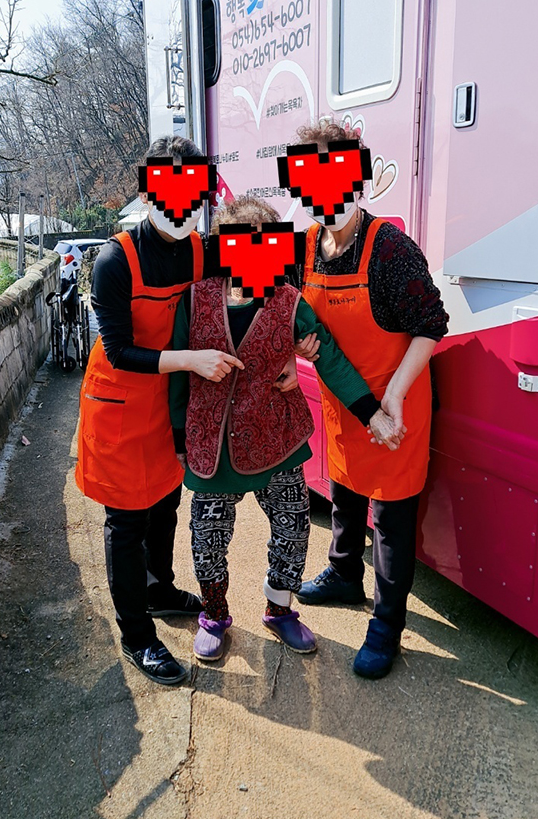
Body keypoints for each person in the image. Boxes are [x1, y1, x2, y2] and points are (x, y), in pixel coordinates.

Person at [169, 195, 395, 663]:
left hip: (277, 439)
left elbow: (329, 357)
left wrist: (372, 413)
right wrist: (178, 436)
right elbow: (176, 376)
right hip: (213, 444)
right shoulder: (195, 298)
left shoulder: (289, 302)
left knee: (293, 527)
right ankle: (214, 615)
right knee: (207, 537)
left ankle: (279, 609)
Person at [76, 135, 243, 687]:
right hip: (120, 405)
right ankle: (136, 635)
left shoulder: (199, 248)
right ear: (147, 192)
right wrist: (191, 360)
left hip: (168, 405)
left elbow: (264, 267)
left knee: (167, 499)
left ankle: (159, 587)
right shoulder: (114, 260)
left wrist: (297, 339)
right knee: (127, 521)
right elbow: (119, 350)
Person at [289, 119, 449, 680]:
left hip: (395, 405)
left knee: (390, 517)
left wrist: (394, 399)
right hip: (345, 404)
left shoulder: (390, 249)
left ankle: (387, 623)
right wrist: (299, 349)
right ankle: (342, 574)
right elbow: (297, 319)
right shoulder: (304, 247)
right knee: (344, 492)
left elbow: (432, 324)